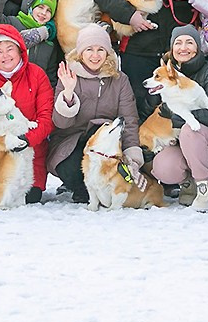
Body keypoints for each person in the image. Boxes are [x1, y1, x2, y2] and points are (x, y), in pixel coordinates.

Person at [138, 25, 208, 210]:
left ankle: (205, 188)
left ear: (198, 47)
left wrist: (176, 117)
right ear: (172, 48)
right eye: (178, 43)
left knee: (190, 130)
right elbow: (149, 110)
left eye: (189, 42)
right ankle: (188, 184)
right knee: (163, 167)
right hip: (181, 145)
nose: (183, 48)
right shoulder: (161, 76)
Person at [48, 24, 142, 204]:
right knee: (70, 167)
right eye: (89, 49)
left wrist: (133, 157)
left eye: (100, 50)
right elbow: (61, 123)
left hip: (106, 142)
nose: (95, 55)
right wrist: (68, 93)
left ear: (107, 53)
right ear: (80, 53)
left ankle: (106, 189)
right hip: (72, 140)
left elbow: (129, 119)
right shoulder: (69, 76)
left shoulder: (119, 80)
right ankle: (81, 190)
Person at [0, 24, 56, 204]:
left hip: (29, 155)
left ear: (20, 50)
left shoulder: (37, 74)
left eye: (10, 49)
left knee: (30, 198)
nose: (5, 55)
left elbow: (46, 119)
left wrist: (26, 139)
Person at [11, 0, 62, 76]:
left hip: (36, 83)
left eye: (49, 11)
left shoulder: (50, 40)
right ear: (31, 6)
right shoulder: (11, 23)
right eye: (40, 7)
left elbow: (50, 75)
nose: (44, 13)